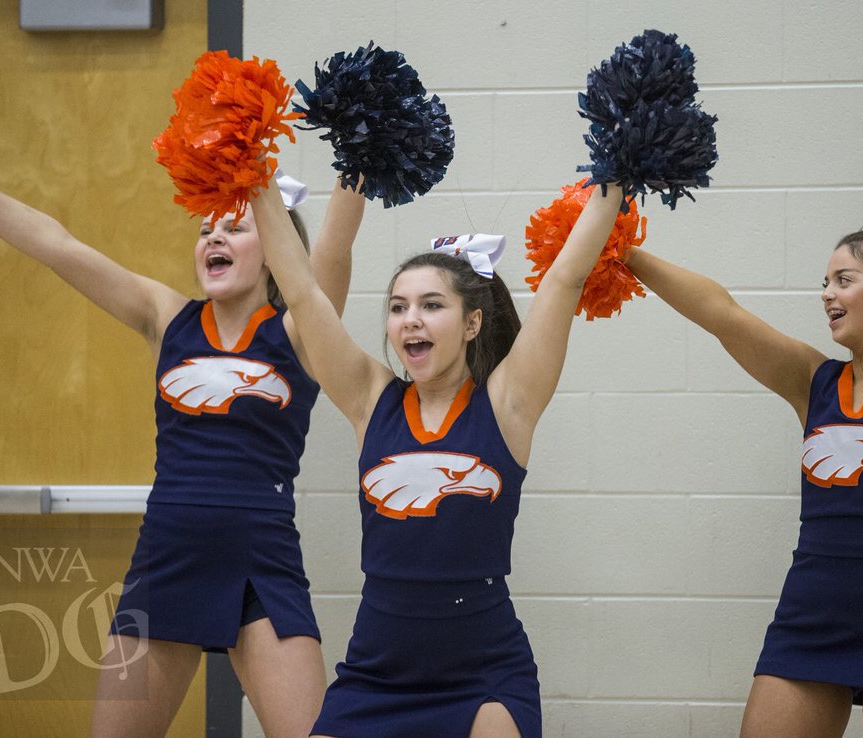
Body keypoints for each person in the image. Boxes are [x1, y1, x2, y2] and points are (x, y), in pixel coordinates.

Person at [0, 163, 365, 738]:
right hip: (168, 557)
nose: (214, 236)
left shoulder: (300, 331)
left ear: (275, 249)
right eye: (205, 230)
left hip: (261, 564)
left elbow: (334, 256)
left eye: (235, 228)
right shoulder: (166, 317)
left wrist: (357, 158)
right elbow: (56, 246)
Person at [249, 172, 626, 737]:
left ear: (473, 322)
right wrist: (252, 175)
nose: (411, 320)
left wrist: (617, 173)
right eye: (398, 307)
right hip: (377, 671)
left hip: (484, 675)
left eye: (431, 305)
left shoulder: (507, 403)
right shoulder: (368, 398)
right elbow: (301, 291)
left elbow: (565, 281)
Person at [625, 214, 863, 738]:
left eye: (844, 280)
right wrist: (622, 254)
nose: (826, 294)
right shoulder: (813, 381)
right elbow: (721, 314)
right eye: (825, 282)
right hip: (812, 609)